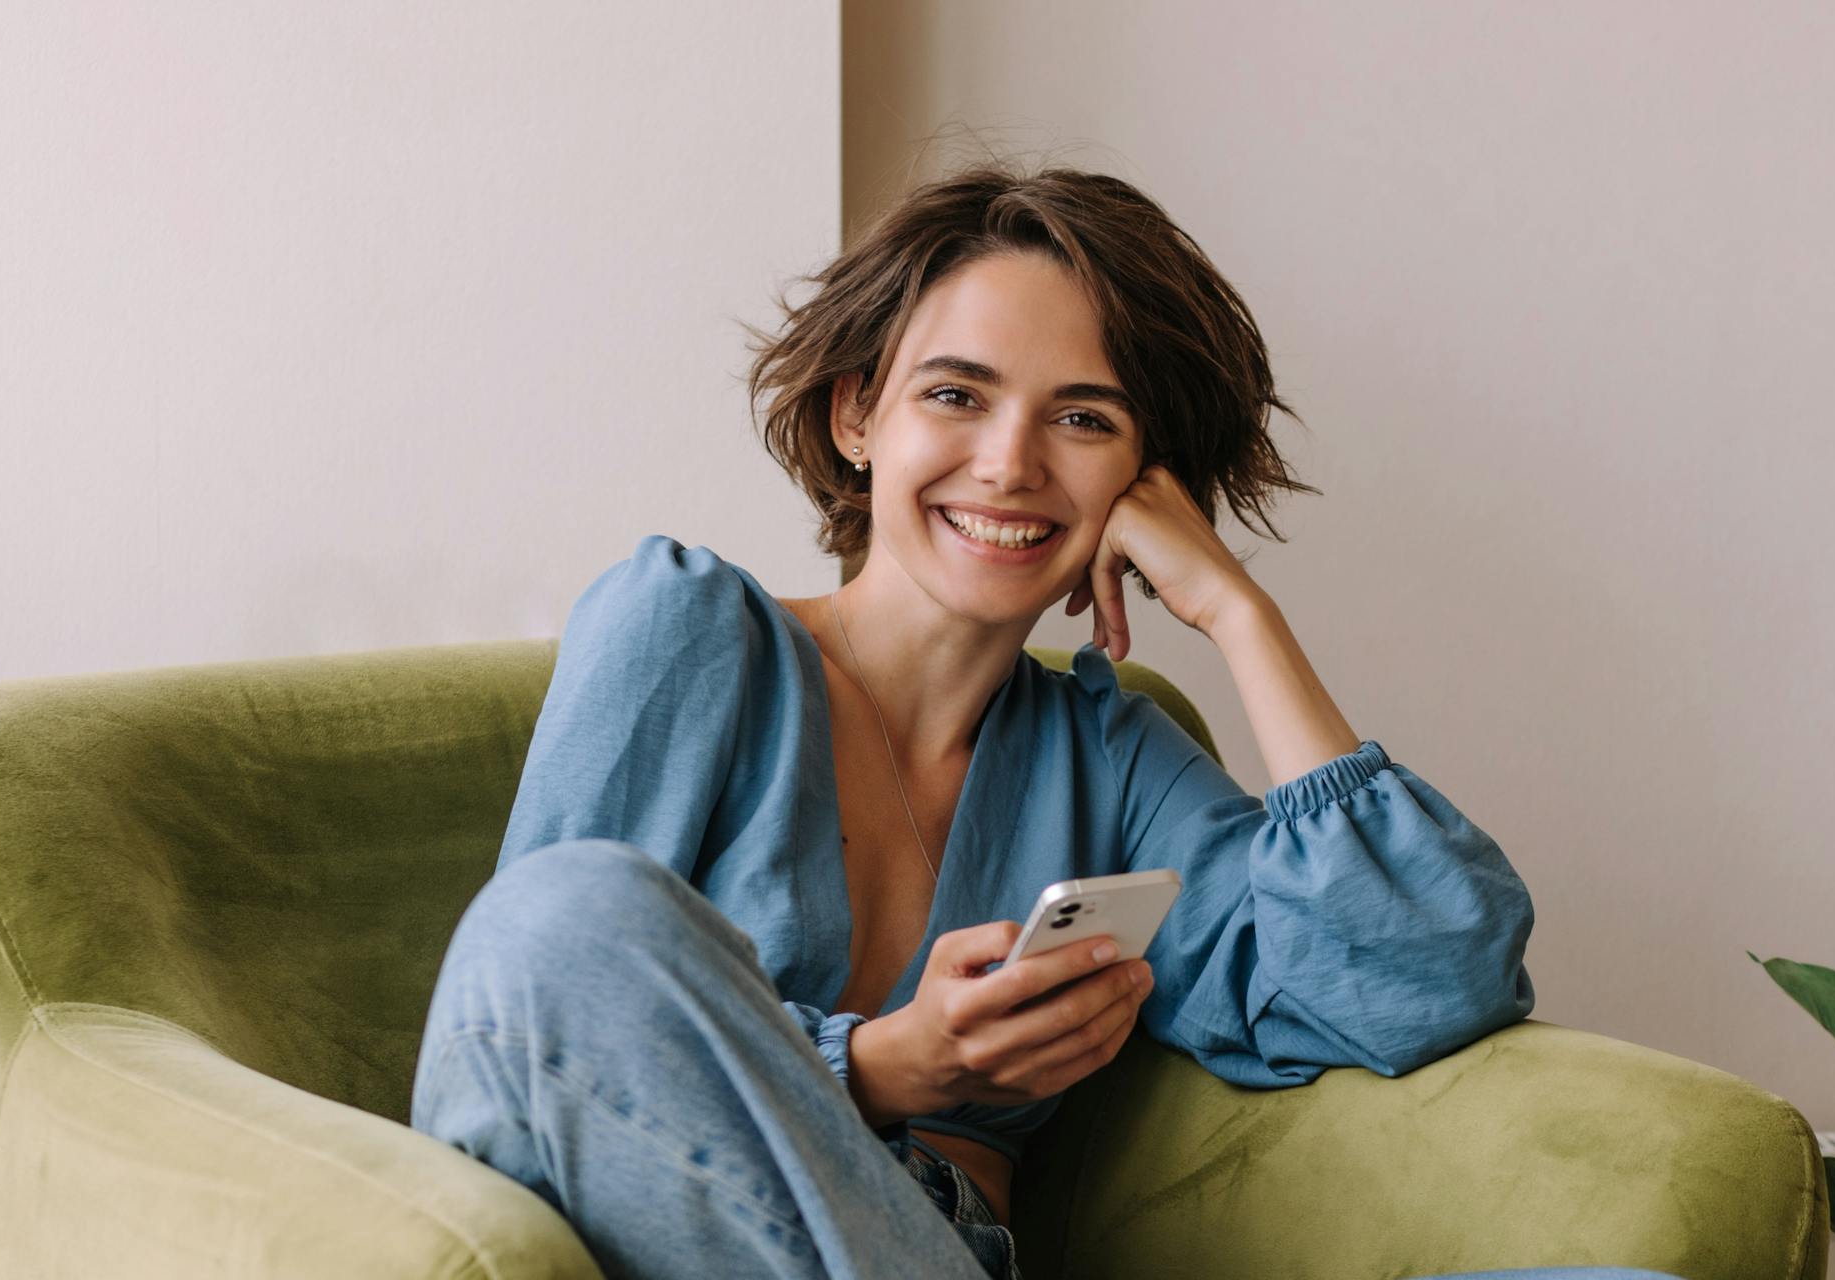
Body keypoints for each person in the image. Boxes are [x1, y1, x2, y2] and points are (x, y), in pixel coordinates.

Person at [406, 166, 1668, 1280]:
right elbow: (526, 1020)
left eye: (1083, 417)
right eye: (956, 394)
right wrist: (885, 1065)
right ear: (859, 417)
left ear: (1143, 479)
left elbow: (1434, 970)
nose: (1012, 463)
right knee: (568, 915)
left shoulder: (1109, 759)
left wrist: (1237, 612)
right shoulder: (686, 631)